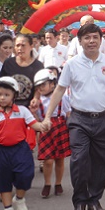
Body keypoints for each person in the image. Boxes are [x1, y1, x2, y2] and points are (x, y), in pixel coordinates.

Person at [41, 23, 105, 210]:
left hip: (103, 119)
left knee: (101, 164)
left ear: (101, 40)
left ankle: (94, 200)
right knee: (79, 162)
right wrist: (47, 116)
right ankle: (79, 203)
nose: (91, 41)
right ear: (80, 41)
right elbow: (59, 90)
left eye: (95, 37)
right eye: (87, 38)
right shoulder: (72, 65)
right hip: (79, 120)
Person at [0, 77, 45, 210]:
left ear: (14, 96)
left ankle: (19, 198)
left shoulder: (22, 111)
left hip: (20, 149)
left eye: (6, 94)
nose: (2, 98)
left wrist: (43, 126)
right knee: (2, 180)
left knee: (25, 175)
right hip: (0, 151)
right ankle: (8, 209)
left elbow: (34, 124)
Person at [33, 69, 71, 198]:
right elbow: (37, 120)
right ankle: (47, 183)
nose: (41, 88)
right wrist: (34, 113)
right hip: (46, 129)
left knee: (60, 159)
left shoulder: (63, 97)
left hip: (60, 128)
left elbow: (68, 114)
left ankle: (58, 183)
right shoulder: (38, 101)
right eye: (38, 86)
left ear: (52, 84)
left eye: (43, 85)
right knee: (48, 160)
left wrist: (71, 128)